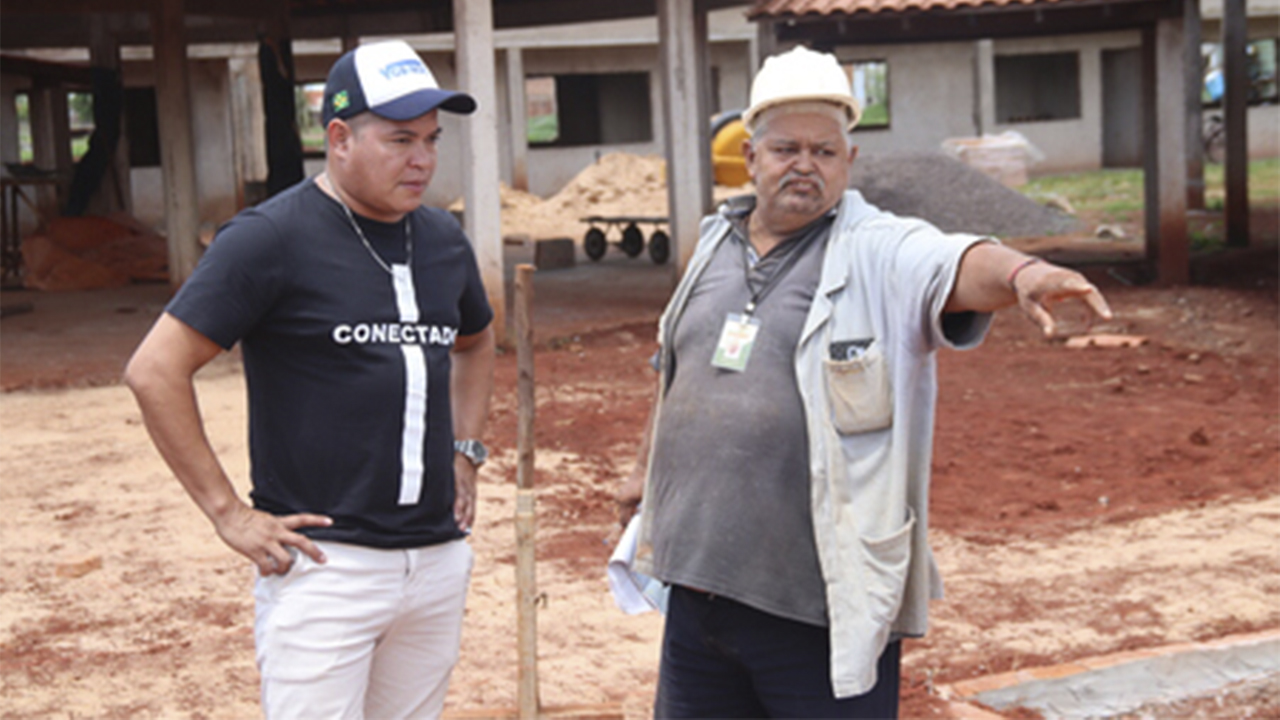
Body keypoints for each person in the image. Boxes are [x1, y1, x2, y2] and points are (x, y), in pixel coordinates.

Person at [615, 46, 1112, 719]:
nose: (804, 165)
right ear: (752, 157)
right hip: (697, 597)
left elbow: (952, 259)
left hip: (816, 610)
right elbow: (675, 367)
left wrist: (1023, 274)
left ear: (848, 164)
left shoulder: (877, 250)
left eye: (824, 151)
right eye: (786, 148)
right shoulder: (712, 242)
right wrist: (644, 468)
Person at [125, 39, 495, 720]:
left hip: (437, 559)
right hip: (328, 568)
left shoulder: (443, 240)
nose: (423, 160)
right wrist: (228, 513)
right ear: (340, 138)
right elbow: (154, 370)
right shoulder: (270, 239)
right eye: (401, 139)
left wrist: (466, 451)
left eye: (433, 140)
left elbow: (475, 341)